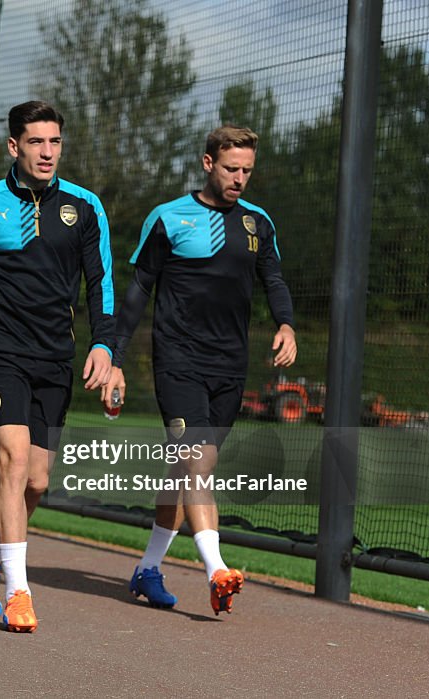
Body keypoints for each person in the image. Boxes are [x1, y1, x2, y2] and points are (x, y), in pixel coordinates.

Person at [0, 101, 124, 633]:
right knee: (12, 463)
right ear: (14, 146)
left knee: (36, 480)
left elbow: (100, 284)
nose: (47, 152)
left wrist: (105, 346)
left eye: (55, 142)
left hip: (56, 359)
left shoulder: (84, 208)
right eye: (36, 142)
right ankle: (19, 590)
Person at [113, 125, 296, 615]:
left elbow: (273, 278)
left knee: (188, 467)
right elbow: (137, 293)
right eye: (232, 168)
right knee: (195, 461)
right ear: (208, 163)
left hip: (230, 365)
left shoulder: (258, 223)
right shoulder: (169, 217)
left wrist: (286, 325)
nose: (240, 179)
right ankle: (216, 568)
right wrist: (115, 357)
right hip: (178, 359)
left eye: (247, 171)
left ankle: (148, 569)